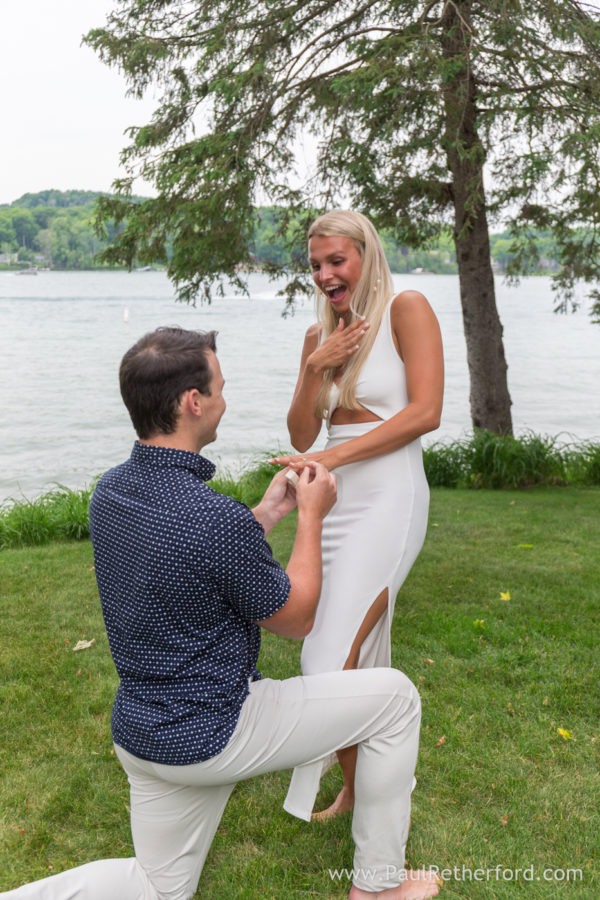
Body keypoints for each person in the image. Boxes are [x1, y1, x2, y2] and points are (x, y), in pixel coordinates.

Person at [1, 327, 440, 900]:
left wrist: (267, 511)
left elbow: (191, 558)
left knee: (159, 889)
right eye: (221, 388)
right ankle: (380, 888)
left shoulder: (111, 493)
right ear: (193, 401)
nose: (225, 400)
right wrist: (313, 516)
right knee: (395, 699)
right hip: (217, 731)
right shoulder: (213, 520)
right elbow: (297, 616)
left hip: (142, 738)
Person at [270, 210, 444, 821]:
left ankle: (369, 793)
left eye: (335, 261)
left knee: (327, 656)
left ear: (365, 256)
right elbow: (299, 429)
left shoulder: (408, 309)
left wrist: (330, 456)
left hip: (389, 500)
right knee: (356, 653)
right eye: (315, 265)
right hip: (335, 504)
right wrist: (315, 368)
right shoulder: (318, 339)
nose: (323, 275)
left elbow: (426, 413)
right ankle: (360, 788)